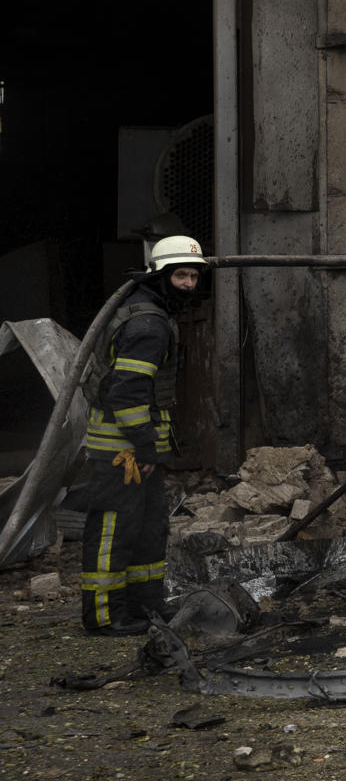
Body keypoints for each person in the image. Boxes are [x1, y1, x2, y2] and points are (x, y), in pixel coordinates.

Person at [79, 234, 208, 636]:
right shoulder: (148, 325)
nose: (188, 284)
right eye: (180, 275)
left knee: (150, 528)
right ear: (159, 276)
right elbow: (127, 391)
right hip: (123, 451)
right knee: (114, 531)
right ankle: (104, 616)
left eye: (193, 275)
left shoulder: (152, 312)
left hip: (138, 447)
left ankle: (145, 608)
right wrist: (145, 446)